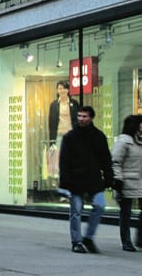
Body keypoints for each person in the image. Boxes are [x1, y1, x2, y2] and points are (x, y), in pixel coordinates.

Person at [59, 106, 114, 253]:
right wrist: (65, 181)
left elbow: (106, 160)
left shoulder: (99, 136)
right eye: (79, 116)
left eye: (84, 116)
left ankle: (88, 237)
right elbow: (64, 161)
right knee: (76, 210)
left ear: (91, 118)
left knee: (100, 205)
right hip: (75, 180)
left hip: (94, 179)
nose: (81, 119)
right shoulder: (70, 137)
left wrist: (109, 178)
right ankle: (76, 241)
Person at [111, 114, 142, 251]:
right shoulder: (124, 141)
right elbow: (115, 162)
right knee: (126, 213)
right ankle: (126, 241)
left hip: (139, 180)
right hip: (127, 181)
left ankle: (140, 239)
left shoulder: (140, 140)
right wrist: (118, 179)